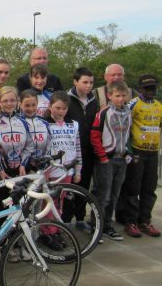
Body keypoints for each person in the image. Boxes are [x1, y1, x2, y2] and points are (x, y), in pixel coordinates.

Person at [0, 86, 35, 263]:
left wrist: (23, 164)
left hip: (19, 172)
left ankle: (14, 245)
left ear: (17, 102)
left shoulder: (23, 122)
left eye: (12, 100)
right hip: (1, 174)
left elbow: (29, 146)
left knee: (17, 210)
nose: (9, 104)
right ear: (0, 102)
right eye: (5, 100)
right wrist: (0, 169)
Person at [117, 75, 162, 238]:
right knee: (133, 188)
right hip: (137, 151)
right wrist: (127, 150)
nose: (151, 91)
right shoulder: (133, 104)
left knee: (149, 188)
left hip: (152, 152)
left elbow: (159, 126)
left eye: (153, 88)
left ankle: (145, 220)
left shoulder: (159, 106)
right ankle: (130, 221)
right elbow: (124, 128)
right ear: (140, 89)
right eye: (147, 88)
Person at [90, 81, 133, 242]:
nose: (121, 99)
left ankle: (107, 225)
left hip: (121, 160)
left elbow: (128, 135)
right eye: (117, 96)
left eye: (123, 96)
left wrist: (128, 153)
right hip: (106, 160)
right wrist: (102, 156)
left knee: (114, 195)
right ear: (109, 96)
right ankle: (96, 226)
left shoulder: (128, 112)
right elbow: (94, 136)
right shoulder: (104, 112)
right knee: (103, 195)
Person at [41, 91, 83, 249]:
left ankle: (56, 229)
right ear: (50, 106)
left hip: (67, 171)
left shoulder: (73, 124)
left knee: (60, 202)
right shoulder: (44, 123)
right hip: (50, 172)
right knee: (48, 203)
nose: (61, 111)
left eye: (64, 108)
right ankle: (47, 233)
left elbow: (77, 148)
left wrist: (78, 170)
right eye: (57, 107)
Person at [62, 67, 99, 230]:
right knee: (70, 186)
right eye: (85, 82)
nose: (88, 86)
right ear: (75, 82)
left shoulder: (93, 100)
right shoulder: (67, 100)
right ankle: (66, 219)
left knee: (84, 185)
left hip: (89, 150)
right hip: (72, 150)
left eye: (91, 82)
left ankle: (79, 218)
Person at [19, 89, 51, 166]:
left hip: (42, 165)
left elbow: (49, 147)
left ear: (37, 104)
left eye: (34, 105)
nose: (31, 109)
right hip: (22, 166)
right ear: (20, 104)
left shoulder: (45, 123)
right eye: (27, 105)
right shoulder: (16, 122)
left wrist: (46, 161)